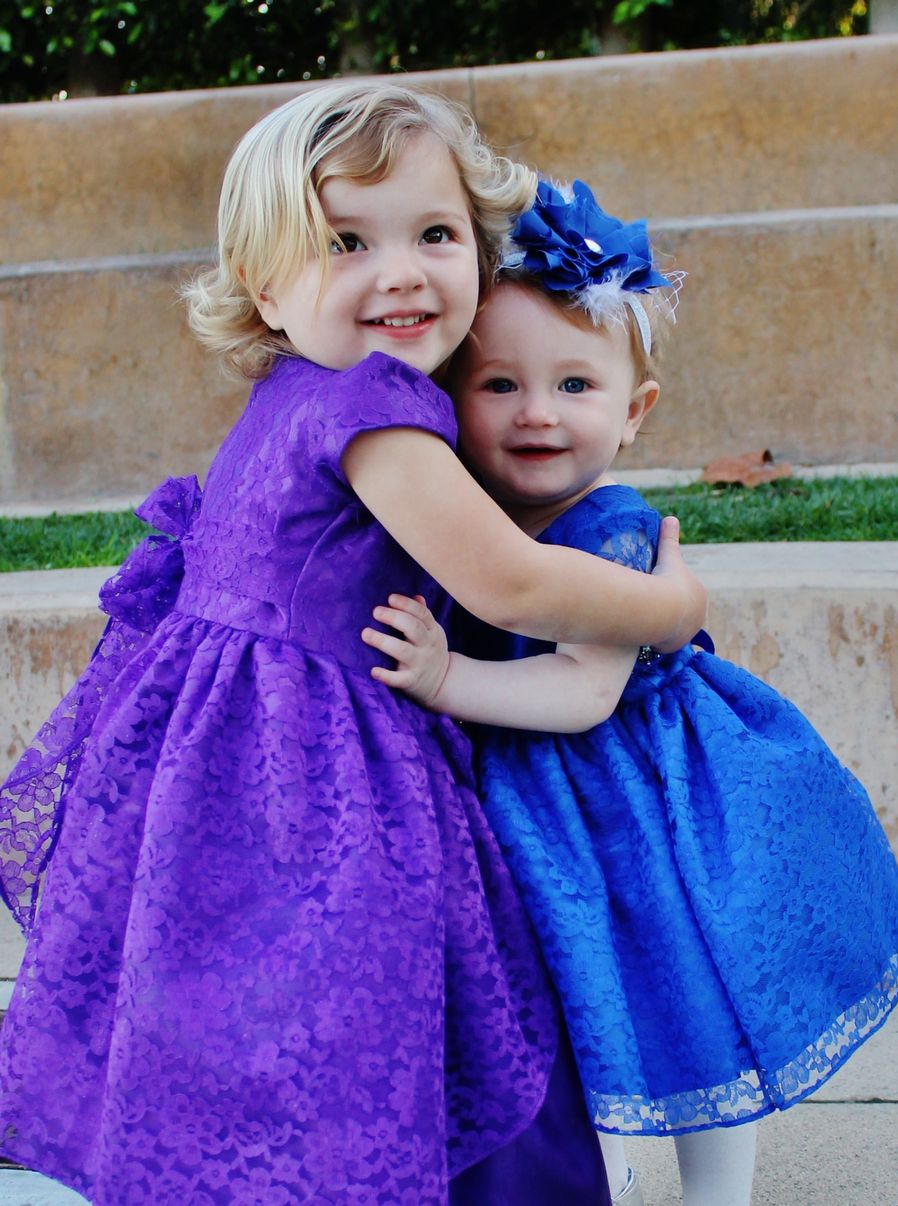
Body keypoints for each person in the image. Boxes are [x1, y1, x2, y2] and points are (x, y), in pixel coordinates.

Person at [0, 90, 706, 1205]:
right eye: (345, 242)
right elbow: (508, 579)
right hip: (321, 778)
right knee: (411, 1007)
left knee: (257, 1020)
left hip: (217, 774)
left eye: (434, 235)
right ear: (265, 286)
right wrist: (667, 602)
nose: (403, 273)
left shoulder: (288, 394)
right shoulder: (374, 409)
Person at [364, 179, 898, 1206]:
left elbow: (580, 695)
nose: (537, 414)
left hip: (646, 803)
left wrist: (443, 677)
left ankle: (715, 1196)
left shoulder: (610, 525)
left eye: (576, 386)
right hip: (554, 811)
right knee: (583, 1024)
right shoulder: (469, 514)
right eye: (500, 386)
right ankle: (591, 1184)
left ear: (635, 410)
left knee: (694, 1004)